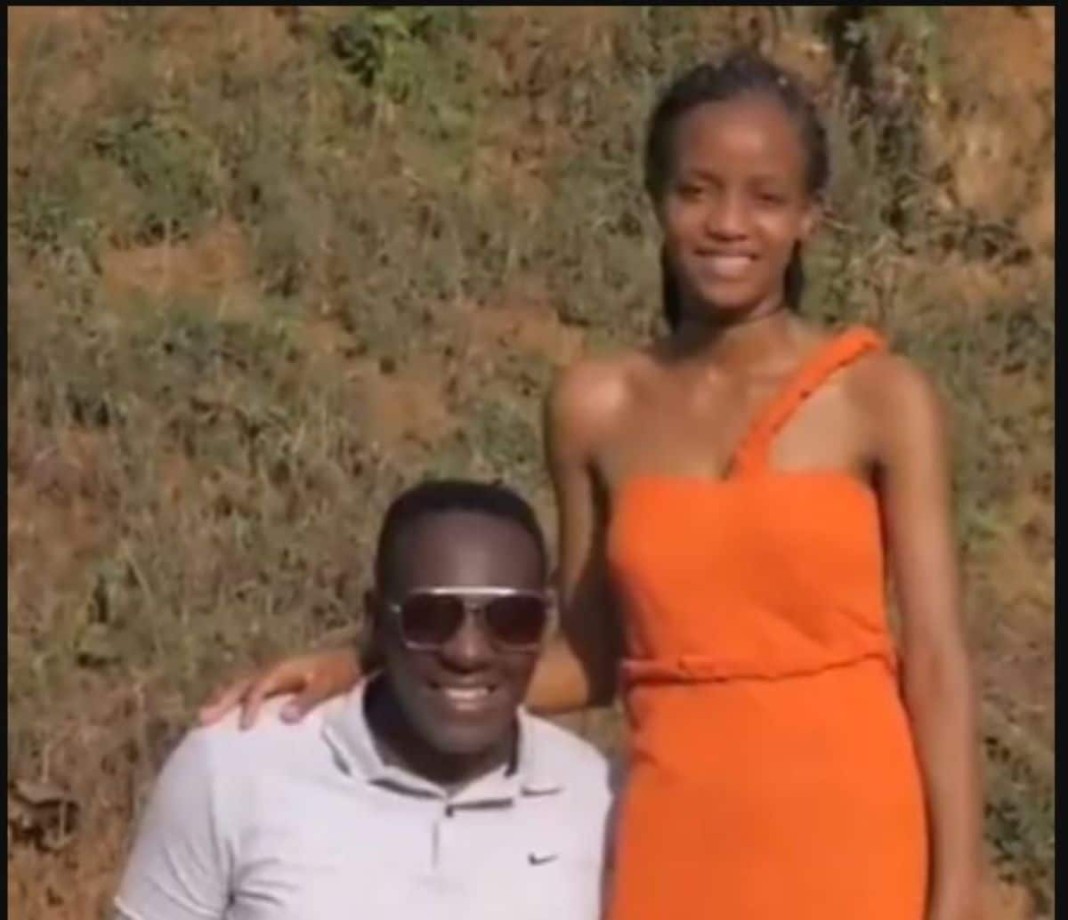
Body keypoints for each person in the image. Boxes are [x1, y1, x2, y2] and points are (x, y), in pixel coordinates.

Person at [200, 50, 984, 920]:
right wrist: (364, 664)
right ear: (656, 201)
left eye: (766, 197)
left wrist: (956, 898)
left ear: (809, 218)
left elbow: (937, 662)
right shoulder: (595, 408)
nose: (729, 223)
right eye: (697, 191)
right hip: (677, 836)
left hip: (857, 836)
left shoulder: (879, 397)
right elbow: (588, 658)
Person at [116, 480, 614, 920]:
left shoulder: (594, 797)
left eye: (512, 621)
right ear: (375, 621)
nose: (468, 652)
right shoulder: (234, 769)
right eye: (430, 618)